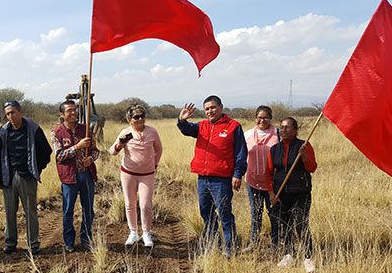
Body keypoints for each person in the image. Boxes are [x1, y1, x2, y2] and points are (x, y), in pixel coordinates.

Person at [177, 95, 247, 257]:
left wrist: (238, 174)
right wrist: (182, 120)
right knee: (206, 212)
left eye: (213, 107)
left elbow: (241, 154)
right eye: (207, 108)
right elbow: (187, 130)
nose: (210, 111)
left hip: (222, 180)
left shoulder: (233, 127)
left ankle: (229, 247)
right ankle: (213, 242)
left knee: (224, 213)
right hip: (203, 178)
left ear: (221, 107)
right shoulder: (202, 126)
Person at [0, 100, 52, 255]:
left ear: (20, 112)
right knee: (9, 211)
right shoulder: (3, 132)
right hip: (8, 177)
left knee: (30, 211)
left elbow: (46, 152)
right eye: (8, 114)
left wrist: (36, 169)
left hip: (27, 177)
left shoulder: (33, 129)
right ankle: (10, 242)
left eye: (13, 112)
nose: (11, 116)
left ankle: (33, 244)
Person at [109, 105, 163, 248]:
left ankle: (146, 232)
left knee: (145, 205)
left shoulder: (152, 132)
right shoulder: (125, 133)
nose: (140, 119)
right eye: (136, 117)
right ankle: (133, 232)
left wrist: (155, 164)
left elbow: (159, 149)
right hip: (128, 173)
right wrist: (119, 144)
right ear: (129, 120)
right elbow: (112, 152)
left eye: (142, 116)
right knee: (130, 204)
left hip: (147, 174)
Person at [268, 117, 317, 273]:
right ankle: (289, 254)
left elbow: (312, 168)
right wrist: (271, 193)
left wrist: (304, 156)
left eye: (288, 127)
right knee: (285, 224)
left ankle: (308, 257)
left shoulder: (304, 145)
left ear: (295, 130)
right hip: (281, 193)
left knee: (300, 224)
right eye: (282, 127)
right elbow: (268, 173)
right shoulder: (274, 149)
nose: (284, 130)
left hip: (300, 192)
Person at [51, 100, 99, 252]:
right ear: (62, 115)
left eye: (75, 110)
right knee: (68, 210)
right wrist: (78, 147)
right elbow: (59, 156)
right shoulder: (57, 133)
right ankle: (69, 241)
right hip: (69, 177)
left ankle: (86, 238)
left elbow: (95, 150)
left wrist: (90, 159)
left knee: (88, 209)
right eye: (70, 111)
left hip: (86, 174)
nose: (73, 113)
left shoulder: (85, 130)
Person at [244, 105, 280, 248]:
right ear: (255, 118)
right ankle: (254, 242)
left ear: (270, 118)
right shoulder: (246, 135)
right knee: (255, 213)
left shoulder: (278, 134)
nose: (262, 120)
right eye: (259, 117)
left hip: (273, 183)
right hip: (252, 182)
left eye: (265, 117)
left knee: (274, 213)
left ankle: (277, 243)